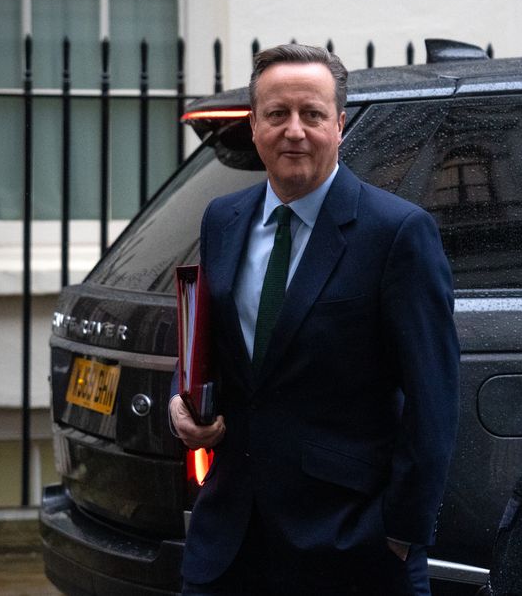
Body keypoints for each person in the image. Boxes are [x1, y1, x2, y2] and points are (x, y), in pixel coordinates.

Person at [168, 43, 460, 594]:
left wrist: (399, 536)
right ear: (254, 125)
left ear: (340, 125)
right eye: (277, 114)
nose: (294, 131)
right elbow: (204, 345)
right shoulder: (222, 219)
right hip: (227, 543)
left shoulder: (397, 233)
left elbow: (434, 402)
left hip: (350, 550)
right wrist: (181, 402)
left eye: (312, 114)